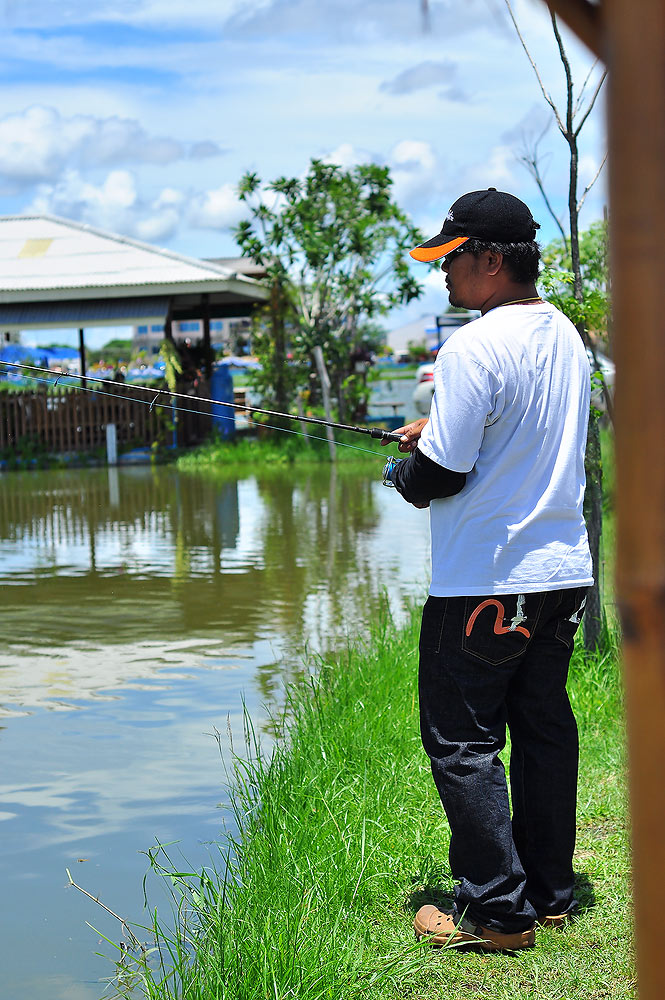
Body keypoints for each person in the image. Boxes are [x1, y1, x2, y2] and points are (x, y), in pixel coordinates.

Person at [383, 188, 593, 952]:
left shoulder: (471, 346)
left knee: (462, 742)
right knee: (542, 728)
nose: (441, 274)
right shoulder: (565, 335)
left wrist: (402, 472)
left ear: (491, 260)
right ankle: (548, 891)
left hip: (484, 580)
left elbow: (441, 473)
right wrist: (435, 432)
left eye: (450, 258)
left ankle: (498, 914)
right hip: (561, 572)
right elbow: (507, 436)